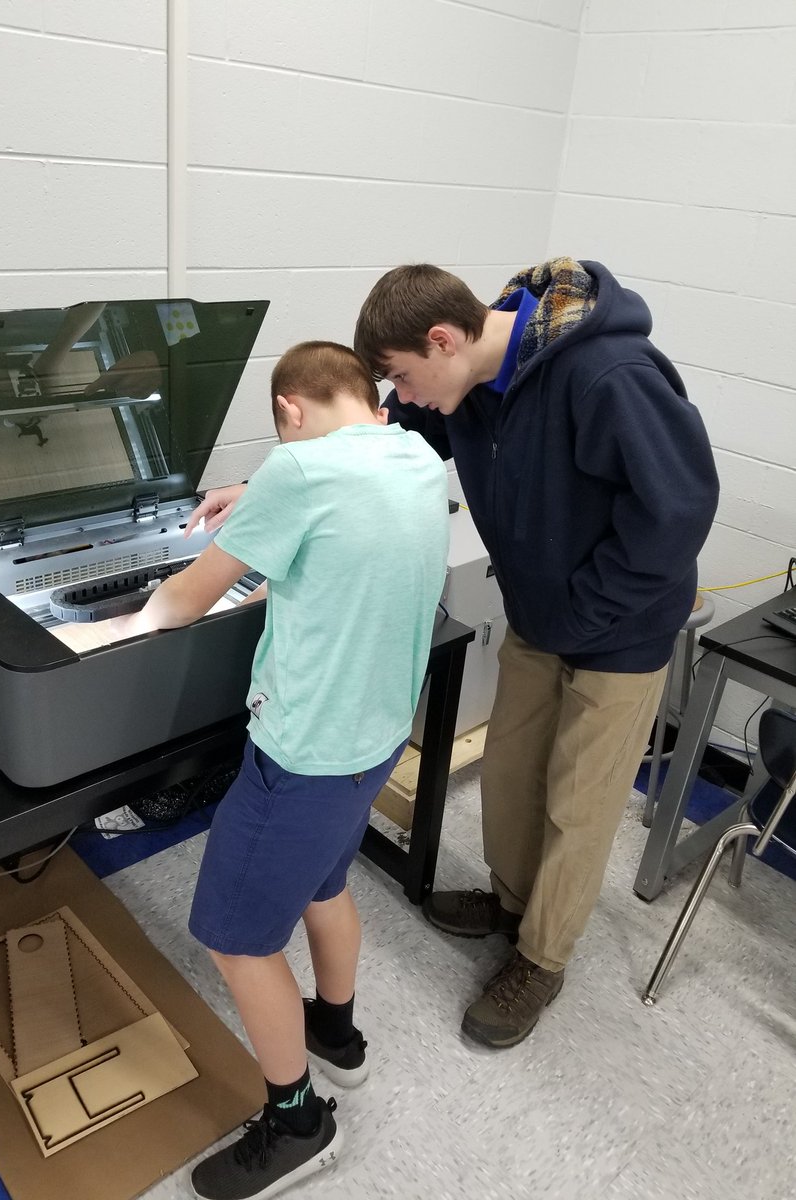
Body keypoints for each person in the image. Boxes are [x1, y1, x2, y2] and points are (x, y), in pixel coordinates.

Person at [110, 341, 449, 1199]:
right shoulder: (410, 451)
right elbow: (334, 550)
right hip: (374, 738)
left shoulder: (299, 473)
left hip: (302, 751)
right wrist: (261, 506)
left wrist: (106, 634)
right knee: (323, 886)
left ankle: (297, 1119)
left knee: (232, 938)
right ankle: (335, 1035)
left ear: (290, 411)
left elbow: (186, 596)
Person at [353, 258, 719, 1048]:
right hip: (541, 615)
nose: (405, 398)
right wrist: (281, 480)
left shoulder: (607, 373)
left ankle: (542, 959)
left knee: (578, 804)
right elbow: (376, 430)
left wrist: (587, 609)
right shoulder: (467, 381)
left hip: (619, 628)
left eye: (406, 377)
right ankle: (513, 904)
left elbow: (679, 510)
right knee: (513, 776)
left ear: (444, 340)